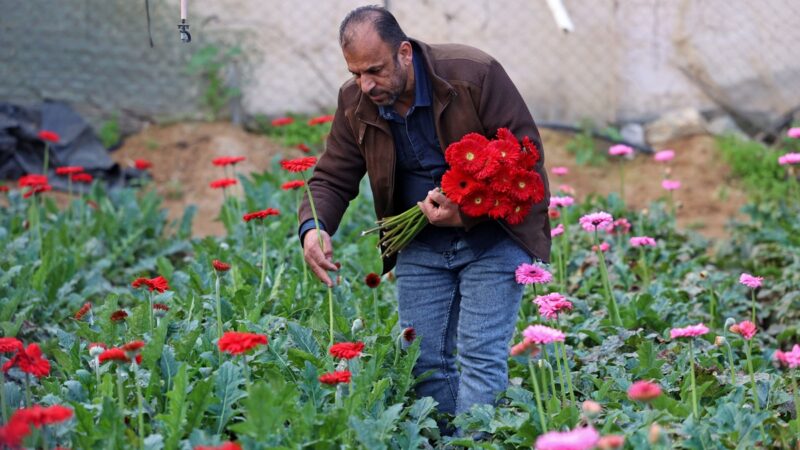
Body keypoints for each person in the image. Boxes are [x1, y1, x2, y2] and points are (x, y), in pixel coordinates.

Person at [298, 5, 551, 420]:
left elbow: (525, 159)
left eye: (375, 70)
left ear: (403, 53)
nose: (365, 85)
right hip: (421, 244)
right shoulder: (355, 101)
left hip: (494, 237)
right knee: (421, 360)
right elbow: (332, 176)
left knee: (480, 357)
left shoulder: (473, 74)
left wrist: (466, 211)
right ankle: (443, 440)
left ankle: (477, 444)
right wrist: (314, 227)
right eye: (355, 73)